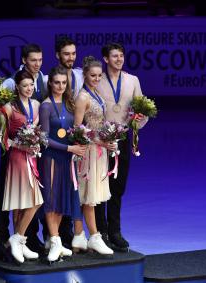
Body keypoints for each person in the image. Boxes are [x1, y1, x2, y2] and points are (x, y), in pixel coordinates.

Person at [0, 43, 47, 258]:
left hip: (31, 154)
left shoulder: (43, 80)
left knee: (30, 198)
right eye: (33, 60)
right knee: (10, 195)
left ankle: (25, 239)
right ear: (24, 60)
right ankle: (4, 237)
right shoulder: (11, 82)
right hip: (13, 154)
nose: (37, 64)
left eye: (40, 60)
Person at [95, 42, 148, 252]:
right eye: (114, 56)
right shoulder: (98, 80)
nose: (119, 59)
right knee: (100, 188)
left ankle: (115, 231)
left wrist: (140, 118)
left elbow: (141, 106)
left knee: (117, 188)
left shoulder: (132, 80)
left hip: (123, 139)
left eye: (121, 56)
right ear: (106, 59)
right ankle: (101, 232)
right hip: (101, 140)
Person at [38, 66, 87, 262]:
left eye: (64, 83)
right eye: (56, 82)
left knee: (61, 199)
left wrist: (79, 141)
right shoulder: (46, 106)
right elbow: (44, 139)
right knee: (51, 198)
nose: (60, 86)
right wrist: (69, 149)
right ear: (50, 83)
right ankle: (56, 240)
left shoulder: (69, 104)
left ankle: (55, 240)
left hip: (67, 158)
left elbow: (74, 130)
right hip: (51, 157)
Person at [72, 56, 116, 256]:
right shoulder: (83, 97)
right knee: (87, 196)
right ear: (85, 75)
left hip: (99, 152)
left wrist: (109, 137)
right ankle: (94, 237)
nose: (96, 78)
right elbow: (77, 129)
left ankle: (79, 235)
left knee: (88, 196)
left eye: (99, 75)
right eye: (93, 75)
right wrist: (100, 140)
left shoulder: (96, 93)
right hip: (87, 152)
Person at [1, 70, 44, 263]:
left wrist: (35, 141)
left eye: (31, 85)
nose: (29, 89)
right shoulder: (9, 108)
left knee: (30, 201)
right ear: (17, 86)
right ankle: (18, 239)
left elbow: (39, 129)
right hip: (18, 158)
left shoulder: (36, 105)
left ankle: (19, 240)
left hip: (31, 157)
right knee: (23, 202)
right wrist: (19, 145)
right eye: (25, 85)